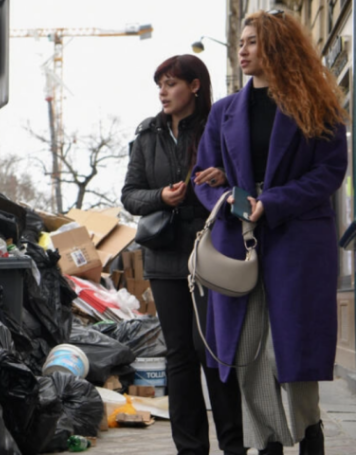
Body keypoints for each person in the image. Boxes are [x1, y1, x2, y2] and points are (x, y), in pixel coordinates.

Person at [192, 9, 348, 455]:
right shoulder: (224, 113)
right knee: (247, 352)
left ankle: (309, 433)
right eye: (240, 41)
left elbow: (330, 172)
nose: (242, 49)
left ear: (277, 47)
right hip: (237, 242)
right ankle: (269, 446)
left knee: (291, 355)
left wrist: (272, 203)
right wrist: (228, 197)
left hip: (297, 241)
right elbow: (204, 173)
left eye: (253, 41)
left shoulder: (315, 105)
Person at [121, 54, 246, 455]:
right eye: (160, 83)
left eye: (172, 83)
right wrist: (160, 196)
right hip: (164, 254)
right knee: (179, 355)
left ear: (194, 86)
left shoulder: (221, 124)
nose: (163, 91)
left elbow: (244, 182)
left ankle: (233, 444)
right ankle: (190, 448)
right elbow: (130, 195)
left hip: (212, 250)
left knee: (210, 349)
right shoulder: (147, 135)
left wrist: (226, 178)